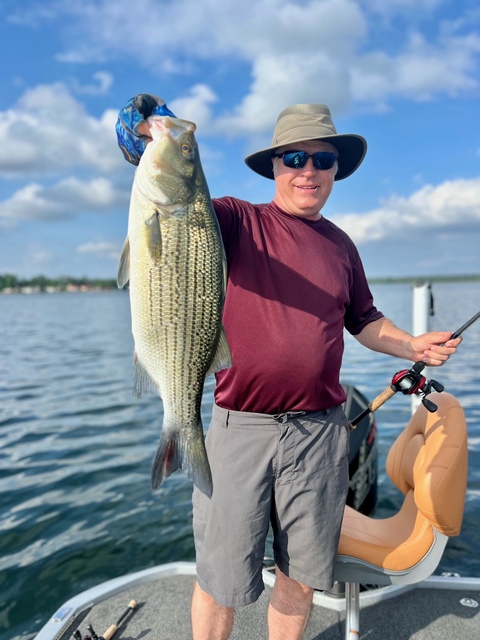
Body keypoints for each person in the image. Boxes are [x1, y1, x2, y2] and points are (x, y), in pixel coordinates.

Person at [116, 96, 462, 640]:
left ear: (336, 172)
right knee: (220, 575)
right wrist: (144, 138)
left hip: (321, 433)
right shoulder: (233, 219)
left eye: (322, 160)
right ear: (275, 165)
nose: (308, 170)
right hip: (240, 426)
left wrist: (412, 345)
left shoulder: (341, 246)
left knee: (301, 577)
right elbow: (178, 205)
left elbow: (365, 320)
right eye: (295, 158)